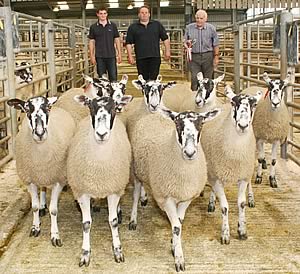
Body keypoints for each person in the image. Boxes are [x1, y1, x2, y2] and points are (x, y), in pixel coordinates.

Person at [126, 5, 171, 81]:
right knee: (143, 80)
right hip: (141, 58)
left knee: (154, 80)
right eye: (142, 12)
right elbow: (128, 43)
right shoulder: (133, 27)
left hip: (155, 57)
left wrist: (167, 51)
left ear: (149, 14)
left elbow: (165, 38)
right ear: (139, 15)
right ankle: (145, 93)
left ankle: (153, 93)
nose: (144, 14)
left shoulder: (157, 25)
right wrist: (130, 56)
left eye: (146, 12)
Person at [184, 9, 219, 91]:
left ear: (205, 19)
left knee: (208, 78)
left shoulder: (211, 28)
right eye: (197, 18)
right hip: (194, 57)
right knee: (194, 78)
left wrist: (216, 57)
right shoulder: (189, 28)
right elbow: (184, 40)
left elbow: (216, 44)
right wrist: (186, 43)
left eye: (201, 18)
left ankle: (207, 97)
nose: (199, 20)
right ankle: (194, 97)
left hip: (208, 56)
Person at [88, 7, 121, 81]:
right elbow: (91, 42)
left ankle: (113, 92)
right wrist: (92, 55)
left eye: (104, 13)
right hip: (99, 56)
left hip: (111, 56)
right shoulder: (93, 27)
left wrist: (119, 54)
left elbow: (117, 39)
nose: (103, 15)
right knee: (101, 78)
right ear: (97, 14)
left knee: (113, 77)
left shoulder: (112, 25)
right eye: (101, 13)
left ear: (107, 14)